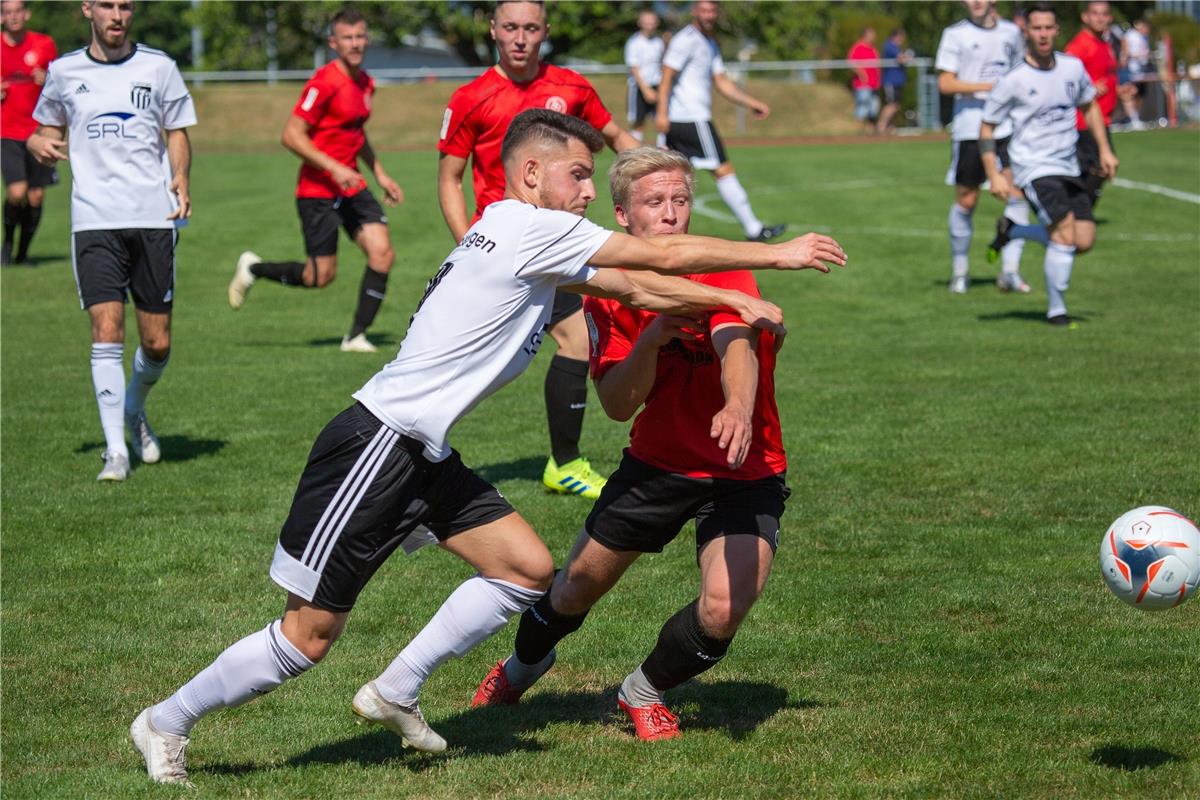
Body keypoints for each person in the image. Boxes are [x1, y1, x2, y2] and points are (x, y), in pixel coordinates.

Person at [129, 108, 847, 786]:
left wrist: (727, 300)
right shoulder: (527, 226)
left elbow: (638, 286)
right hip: (376, 445)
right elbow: (654, 255)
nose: (591, 192)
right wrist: (775, 256)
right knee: (307, 638)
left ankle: (397, 688)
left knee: (527, 570)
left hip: (422, 451)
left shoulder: (516, 231)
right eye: (579, 176)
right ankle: (165, 721)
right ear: (530, 175)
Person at [470, 146, 787, 741]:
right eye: (654, 202)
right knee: (569, 592)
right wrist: (655, 338)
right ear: (623, 215)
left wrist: (739, 407)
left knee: (722, 609)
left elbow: (735, 347)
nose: (671, 214)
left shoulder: (724, 268)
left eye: (680, 200)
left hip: (744, 466)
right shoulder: (609, 291)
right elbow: (618, 405)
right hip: (657, 465)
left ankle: (641, 691)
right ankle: (520, 668)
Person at [438, 0, 639, 500]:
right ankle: (415, 443)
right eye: (510, 27)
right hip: (502, 247)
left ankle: (565, 464)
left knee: (577, 340)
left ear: (545, 31)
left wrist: (651, 172)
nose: (520, 37)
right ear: (493, 31)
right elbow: (449, 178)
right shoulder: (471, 97)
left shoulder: (571, 87)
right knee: (466, 356)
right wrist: (469, 243)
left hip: (556, 245)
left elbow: (615, 136)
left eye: (530, 27)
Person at [27, 0, 194, 482]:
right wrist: (38, 143)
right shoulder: (63, 72)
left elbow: (177, 132)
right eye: (107, 5)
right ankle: (115, 451)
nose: (116, 15)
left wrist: (181, 175)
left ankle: (133, 408)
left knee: (157, 344)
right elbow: (46, 131)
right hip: (94, 219)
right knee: (106, 331)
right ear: (88, 10)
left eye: (125, 6)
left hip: (154, 216)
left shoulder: (159, 67)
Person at [226, 9, 403, 354]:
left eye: (360, 36)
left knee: (382, 253)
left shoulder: (366, 82)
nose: (355, 44)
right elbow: (291, 135)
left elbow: (355, 130)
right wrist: (334, 168)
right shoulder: (324, 82)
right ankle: (254, 268)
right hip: (317, 191)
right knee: (319, 277)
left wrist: (379, 171)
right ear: (333, 42)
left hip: (351, 185)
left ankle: (356, 337)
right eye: (347, 38)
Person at [981, 3, 1118, 326]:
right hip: (1034, 168)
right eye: (1036, 28)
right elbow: (986, 127)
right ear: (1026, 32)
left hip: (1068, 164)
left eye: (1048, 28)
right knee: (1065, 234)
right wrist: (993, 174)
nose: (1043, 34)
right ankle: (1057, 310)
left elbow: (1090, 106)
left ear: (1057, 31)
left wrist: (1104, 150)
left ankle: (1014, 230)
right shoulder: (1013, 79)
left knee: (1083, 240)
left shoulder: (1072, 68)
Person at [656, 1, 786, 243]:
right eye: (704, 10)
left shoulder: (710, 43)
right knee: (723, 170)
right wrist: (661, 114)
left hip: (687, 119)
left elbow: (722, 82)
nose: (709, 15)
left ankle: (658, 234)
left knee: (670, 175)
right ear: (695, 11)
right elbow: (666, 75)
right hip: (692, 119)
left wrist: (750, 102)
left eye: (713, 10)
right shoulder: (686, 40)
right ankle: (754, 229)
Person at [935, 0, 1030, 294]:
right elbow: (946, 84)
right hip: (969, 128)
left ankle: (1010, 271)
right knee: (967, 200)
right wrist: (992, 87)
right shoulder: (955, 34)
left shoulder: (1012, 33)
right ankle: (960, 272)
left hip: (1007, 128)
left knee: (1016, 195)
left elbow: (1022, 73)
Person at [1, 0, 56, 265]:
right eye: (7, 12)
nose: (13, 17)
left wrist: (48, 80)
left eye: (17, 11)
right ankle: (8, 244)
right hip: (7, 131)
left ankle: (23, 254)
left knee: (36, 196)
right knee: (17, 192)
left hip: (40, 130)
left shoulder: (44, 44)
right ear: (2, 17)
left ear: (26, 14)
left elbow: (61, 85)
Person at [1064, 1, 1118, 207]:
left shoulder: (1104, 43)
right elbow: (1063, 78)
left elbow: (1103, 77)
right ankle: (1077, 212)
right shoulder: (1080, 45)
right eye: (1095, 14)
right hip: (1084, 121)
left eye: (1104, 14)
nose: (1100, 18)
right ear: (1085, 17)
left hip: (1102, 118)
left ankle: (1078, 212)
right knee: (1099, 168)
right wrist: (1089, 90)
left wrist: (1119, 90)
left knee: (1099, 169)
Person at [624, 8, 665, 145]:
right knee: (638, 123)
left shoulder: (659, 42)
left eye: (652, 22)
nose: (650, 25)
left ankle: (663, 153)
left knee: (661, 120)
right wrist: (646, 89)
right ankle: (634, 155)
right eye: (646, 22)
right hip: (639, 86)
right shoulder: (634, 43)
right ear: (640, 23)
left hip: (657, 85)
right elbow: (634, 69)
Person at [848, 26, 881, 135]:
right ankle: (858, 133)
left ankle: (871, 134)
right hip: (862, 85)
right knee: (862, 108)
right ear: (865, 35)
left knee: (873, 109)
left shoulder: (873, 48)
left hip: (874, 84)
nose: (874, 37)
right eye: (872, 34)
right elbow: (851, 63)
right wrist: (862, 74)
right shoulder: (857, 47)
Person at [877, 28, 909, 135]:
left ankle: (889, 127)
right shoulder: (890, 45)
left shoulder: (895, 47)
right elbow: (902, 58)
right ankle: (881, 126)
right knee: (891, 104)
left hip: (897, 81)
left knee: (895, 105)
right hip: (890, 81)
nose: (902, 40)